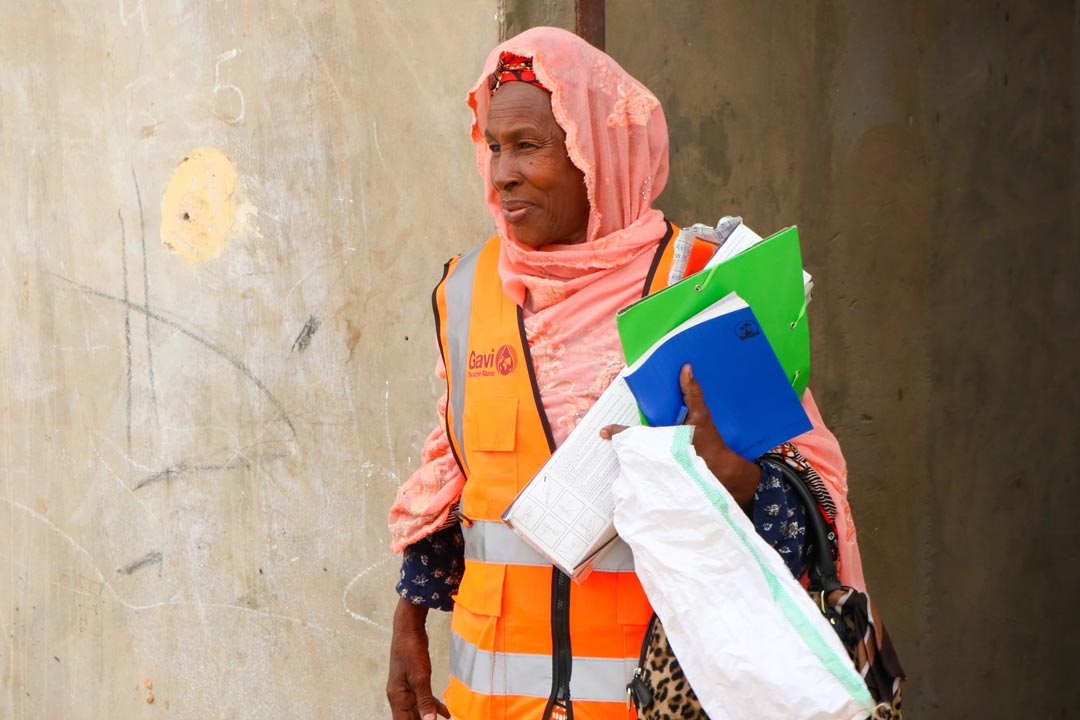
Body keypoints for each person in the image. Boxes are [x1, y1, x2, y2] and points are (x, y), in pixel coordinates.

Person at [386, 26, 866, 720]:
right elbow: (455, 478)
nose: (502, 173)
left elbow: (809, 512)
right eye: (493, 147)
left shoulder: (697, 286)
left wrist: (740, 478)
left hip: (645, 703)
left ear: (597, 156)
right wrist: (409, 618)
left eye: (529, 146)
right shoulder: (465, 291)